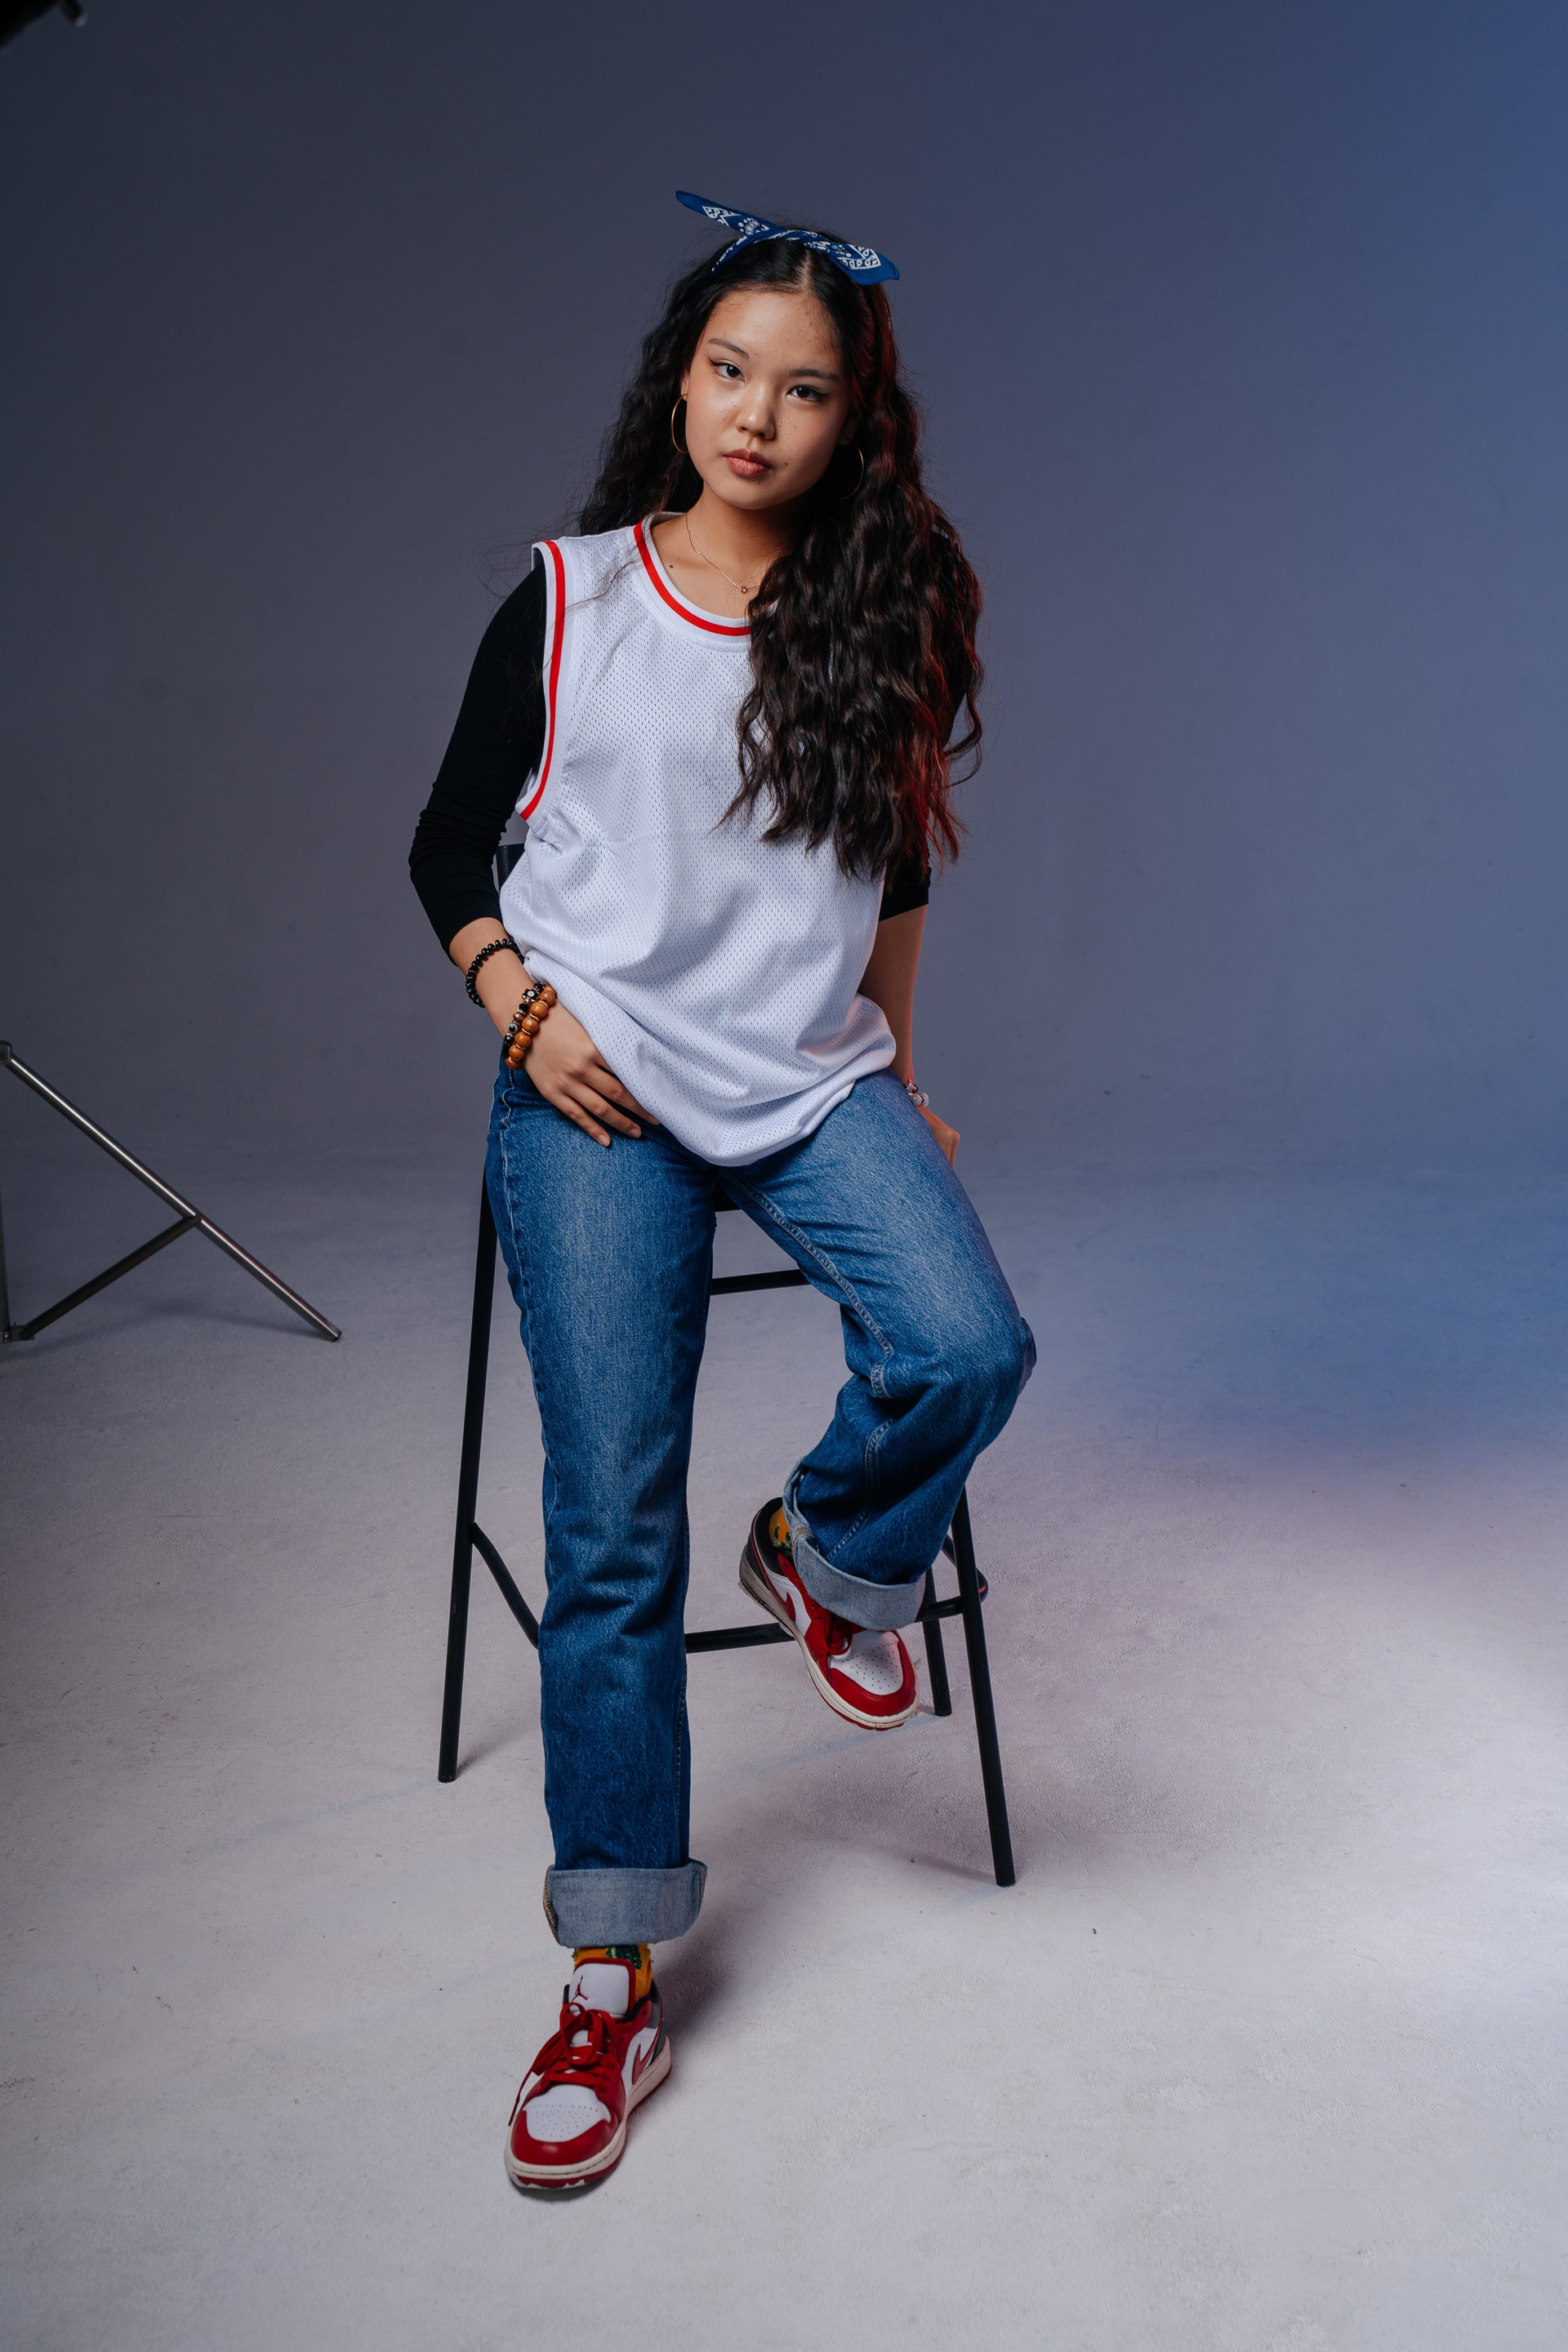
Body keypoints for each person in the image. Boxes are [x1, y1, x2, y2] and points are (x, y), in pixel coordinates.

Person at [408, 192, 1035, 2192]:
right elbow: (446, 847)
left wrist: (900, 1077)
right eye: (728, 371)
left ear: (857, 420)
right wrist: (521, 1013)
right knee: (609, 1526)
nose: (757, 415)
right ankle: (609, 1978)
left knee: (969, 1345)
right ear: (678, 383)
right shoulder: (572, 598)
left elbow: (899, 875)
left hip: (806, 1079)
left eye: (805, 389)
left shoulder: (880, 610)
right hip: (594, 1090)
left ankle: (825, 1551)